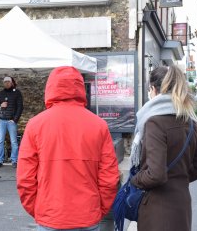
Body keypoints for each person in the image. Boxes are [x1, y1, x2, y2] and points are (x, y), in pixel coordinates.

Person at [16, 67, 119, 230]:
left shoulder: (35, 125)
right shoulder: (99, 125)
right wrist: (99, 209)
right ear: (80, 88)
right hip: (87, 214)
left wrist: (37, 209)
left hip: (50, 215)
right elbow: (109, 177)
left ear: (50, 88)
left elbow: (25, 178)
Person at [129, 65, 197, 231]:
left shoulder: (154, 122)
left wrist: (135, 179)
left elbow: (156, 175)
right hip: (181, 205)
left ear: (153, 89)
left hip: (157, 210)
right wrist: (178, 178)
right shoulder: (190, 122)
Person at [0, 76, 23, 168]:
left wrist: (15, 119)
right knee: (0, 141)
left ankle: (14, 160)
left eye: (8, 82)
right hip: (2, 120)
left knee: (14, 142)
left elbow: (20, 107)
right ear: (3, 83)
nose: (6, 83)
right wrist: (0, 105)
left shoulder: (17, 93)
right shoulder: (1, 93)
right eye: (5, 82)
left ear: (11, 83)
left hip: (11, 121)